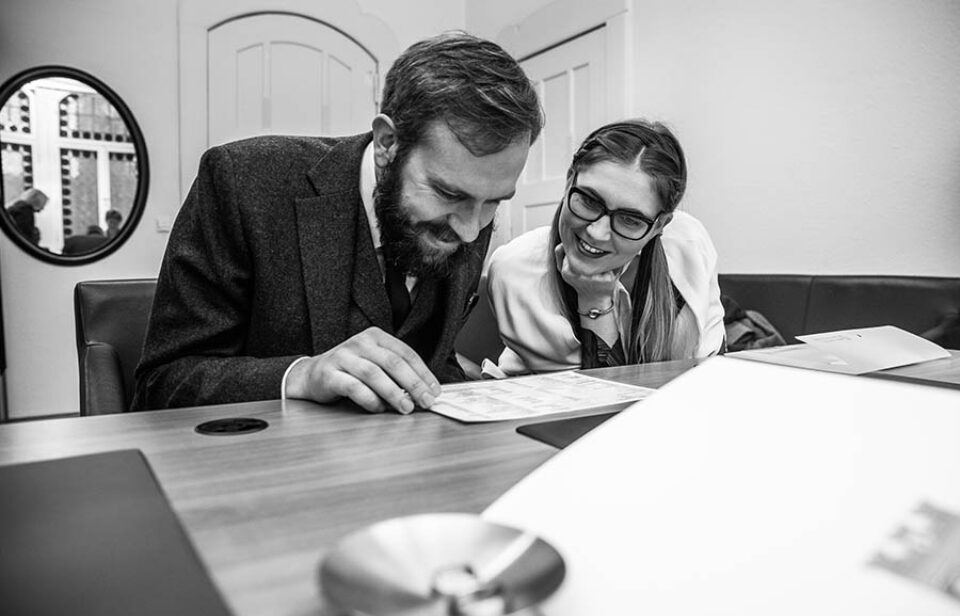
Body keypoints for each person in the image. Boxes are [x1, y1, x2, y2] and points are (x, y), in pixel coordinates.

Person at [133, 31, 542, 414]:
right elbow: (162, 384)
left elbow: (434, 355)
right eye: (449, 194)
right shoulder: (241, 183)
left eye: (494, 202)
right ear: (388, 143)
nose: (471, 231)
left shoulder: (470, 206)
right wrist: (300, 375)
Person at [486, 119, 724, 375]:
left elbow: (709, 372)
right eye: (589, 201)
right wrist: (594, 301)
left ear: (659, 225)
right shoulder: (516, 270)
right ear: (569, 182)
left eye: (630, 220)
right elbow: (596, 396)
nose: (596, 233)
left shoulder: (690, 246)